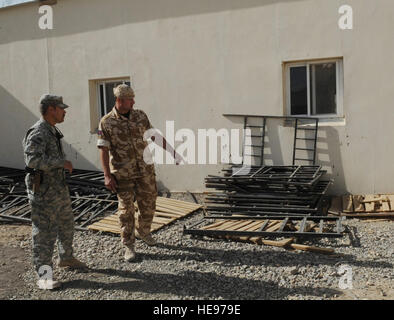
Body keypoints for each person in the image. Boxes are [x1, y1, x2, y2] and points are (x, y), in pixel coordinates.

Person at [97, 84, 183, 262]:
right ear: (120, 100)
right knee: (125, 210)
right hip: (123, 173)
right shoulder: (106, 122)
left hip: (145, 169)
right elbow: (103, 150)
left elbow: (154, 136)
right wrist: (107, 175)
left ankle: (143, 231)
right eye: (130, 99)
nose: (133, 102)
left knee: (149, 203)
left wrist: (173, 152)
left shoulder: (140, 116)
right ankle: (128, 245)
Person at [22, 94, 87, 290]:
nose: (64, 111)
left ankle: (66, 258)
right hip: (43, 192)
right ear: (51, 109)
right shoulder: (38, 132)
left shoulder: (51, 130)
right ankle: (44, 276)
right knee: (44, 233)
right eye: (61, 108)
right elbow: (32, 161)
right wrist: (61, 162)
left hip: (57, 189)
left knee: (67, 223)